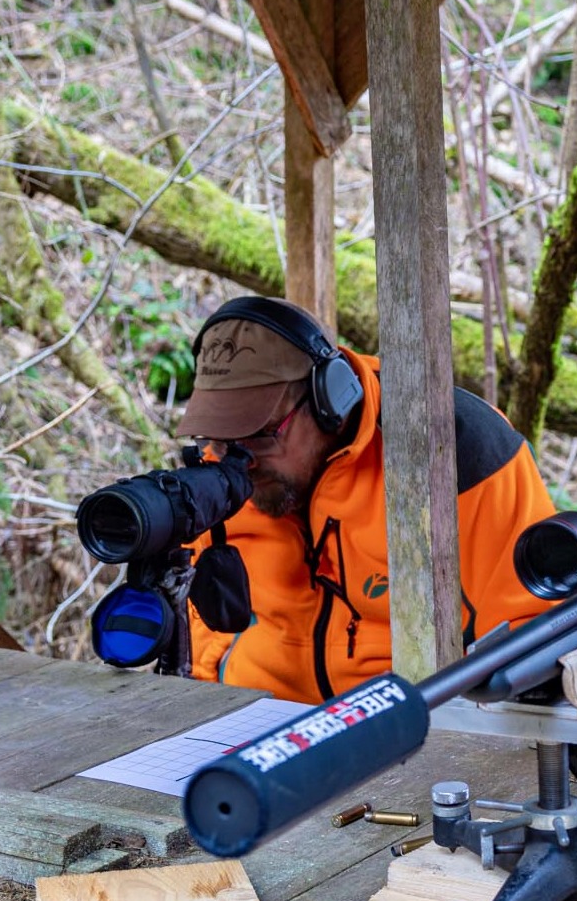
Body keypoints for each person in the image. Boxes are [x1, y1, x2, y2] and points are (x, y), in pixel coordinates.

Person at [178, 296, 557, 701]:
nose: (240, 460)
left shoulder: (457, 447)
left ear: (329, 400)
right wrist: (208, 700)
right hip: (253, 726)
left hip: (414, 733)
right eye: (219, 436)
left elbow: (534, 627)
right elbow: (195, 615)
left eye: (259, 434)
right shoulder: (217, 470)